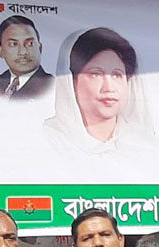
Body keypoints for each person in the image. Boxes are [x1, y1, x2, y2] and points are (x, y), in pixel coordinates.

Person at [44, 27, 153, 156]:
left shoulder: (144, 146)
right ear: (72, 81)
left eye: (117, 75)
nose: (109, 88)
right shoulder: (48, 141)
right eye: (96, 74)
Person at [0, 15, 53, 99]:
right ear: (0, 51)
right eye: (13, 44)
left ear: (40, 47)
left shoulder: (51, 85)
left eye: (30, 43)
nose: (23, 52)